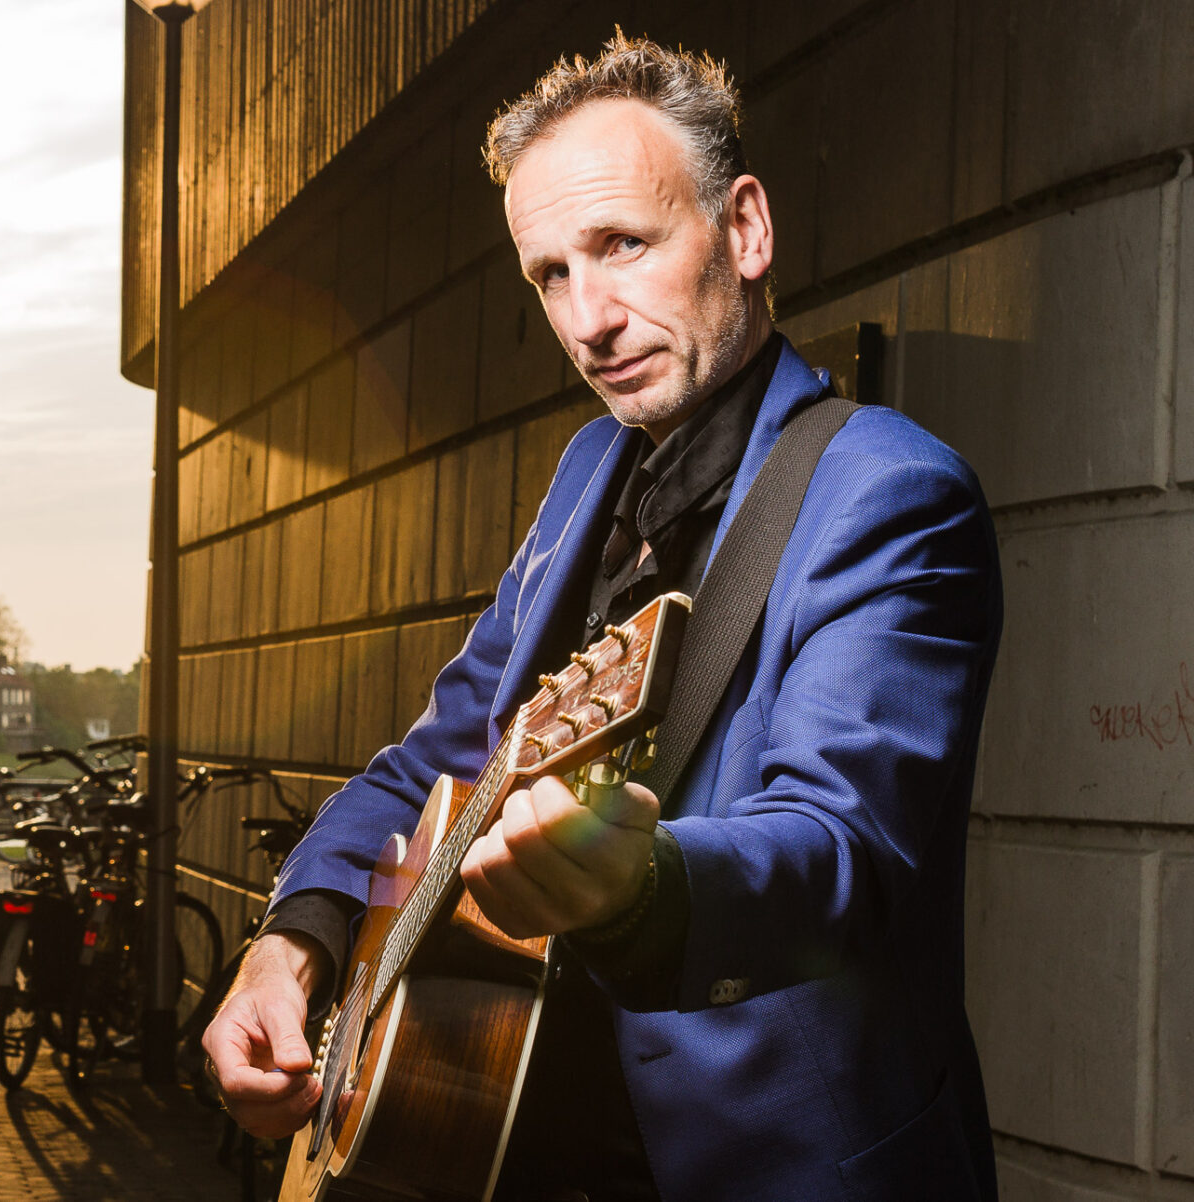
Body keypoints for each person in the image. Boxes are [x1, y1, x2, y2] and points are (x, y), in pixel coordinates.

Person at [201, 35, 1003, 1202]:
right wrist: (291, 941)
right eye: (549, 273)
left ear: (743, 230)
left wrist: (636, 890)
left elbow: (842, 850)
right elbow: (435, 762)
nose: (587, 320)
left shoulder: (885, 490)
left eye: (622, 244)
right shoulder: (588, 471)